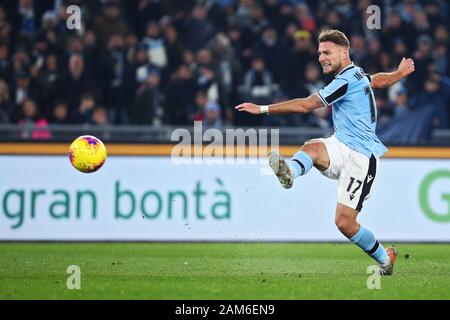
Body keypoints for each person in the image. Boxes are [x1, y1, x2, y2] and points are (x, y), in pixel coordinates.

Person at [235, 29, 415, 276]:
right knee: (312, 147)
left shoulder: (344, 82)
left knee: (344, 223)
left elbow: (307, 104)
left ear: (344, 52)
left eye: (327, 52)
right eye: (319, 53)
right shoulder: (357, 74)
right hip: (340, 145)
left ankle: (386, 259)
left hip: (362, 158)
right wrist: (399, 73)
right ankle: (290, 173)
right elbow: (376, 80)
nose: (321, 58)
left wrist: (263, 108)